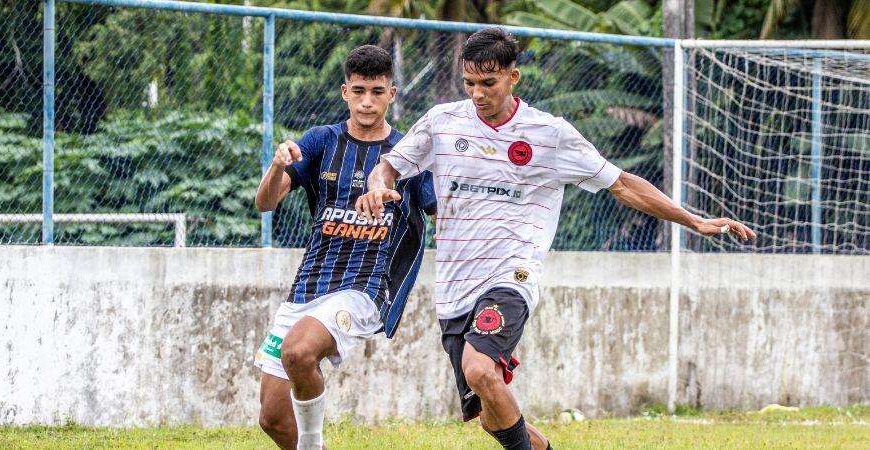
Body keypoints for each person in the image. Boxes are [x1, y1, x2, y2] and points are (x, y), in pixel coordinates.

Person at [356, 27, 756, 450]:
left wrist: (692, 220)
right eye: (469, 83)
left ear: (514, 78)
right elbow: (390, 165)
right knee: (492, 418)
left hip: (512, 273)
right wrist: (377, 185)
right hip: (454, 285)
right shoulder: (442, 122)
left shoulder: (549, 134)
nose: (477, 93)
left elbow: (621, 184)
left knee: (479, 369)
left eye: (488, 83)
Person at [254, 44, 437, 450]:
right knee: (271, 416)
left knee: (299, 352)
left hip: (366, 287)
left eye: (376, 91)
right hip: (309, 285)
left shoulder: (409, 153)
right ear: (344, 92)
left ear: (392, 93)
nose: (367, 102)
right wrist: (277, 165)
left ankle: (313, 444)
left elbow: (444, 215)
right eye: (358, 91)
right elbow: (265, 203)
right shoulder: (321, 141)